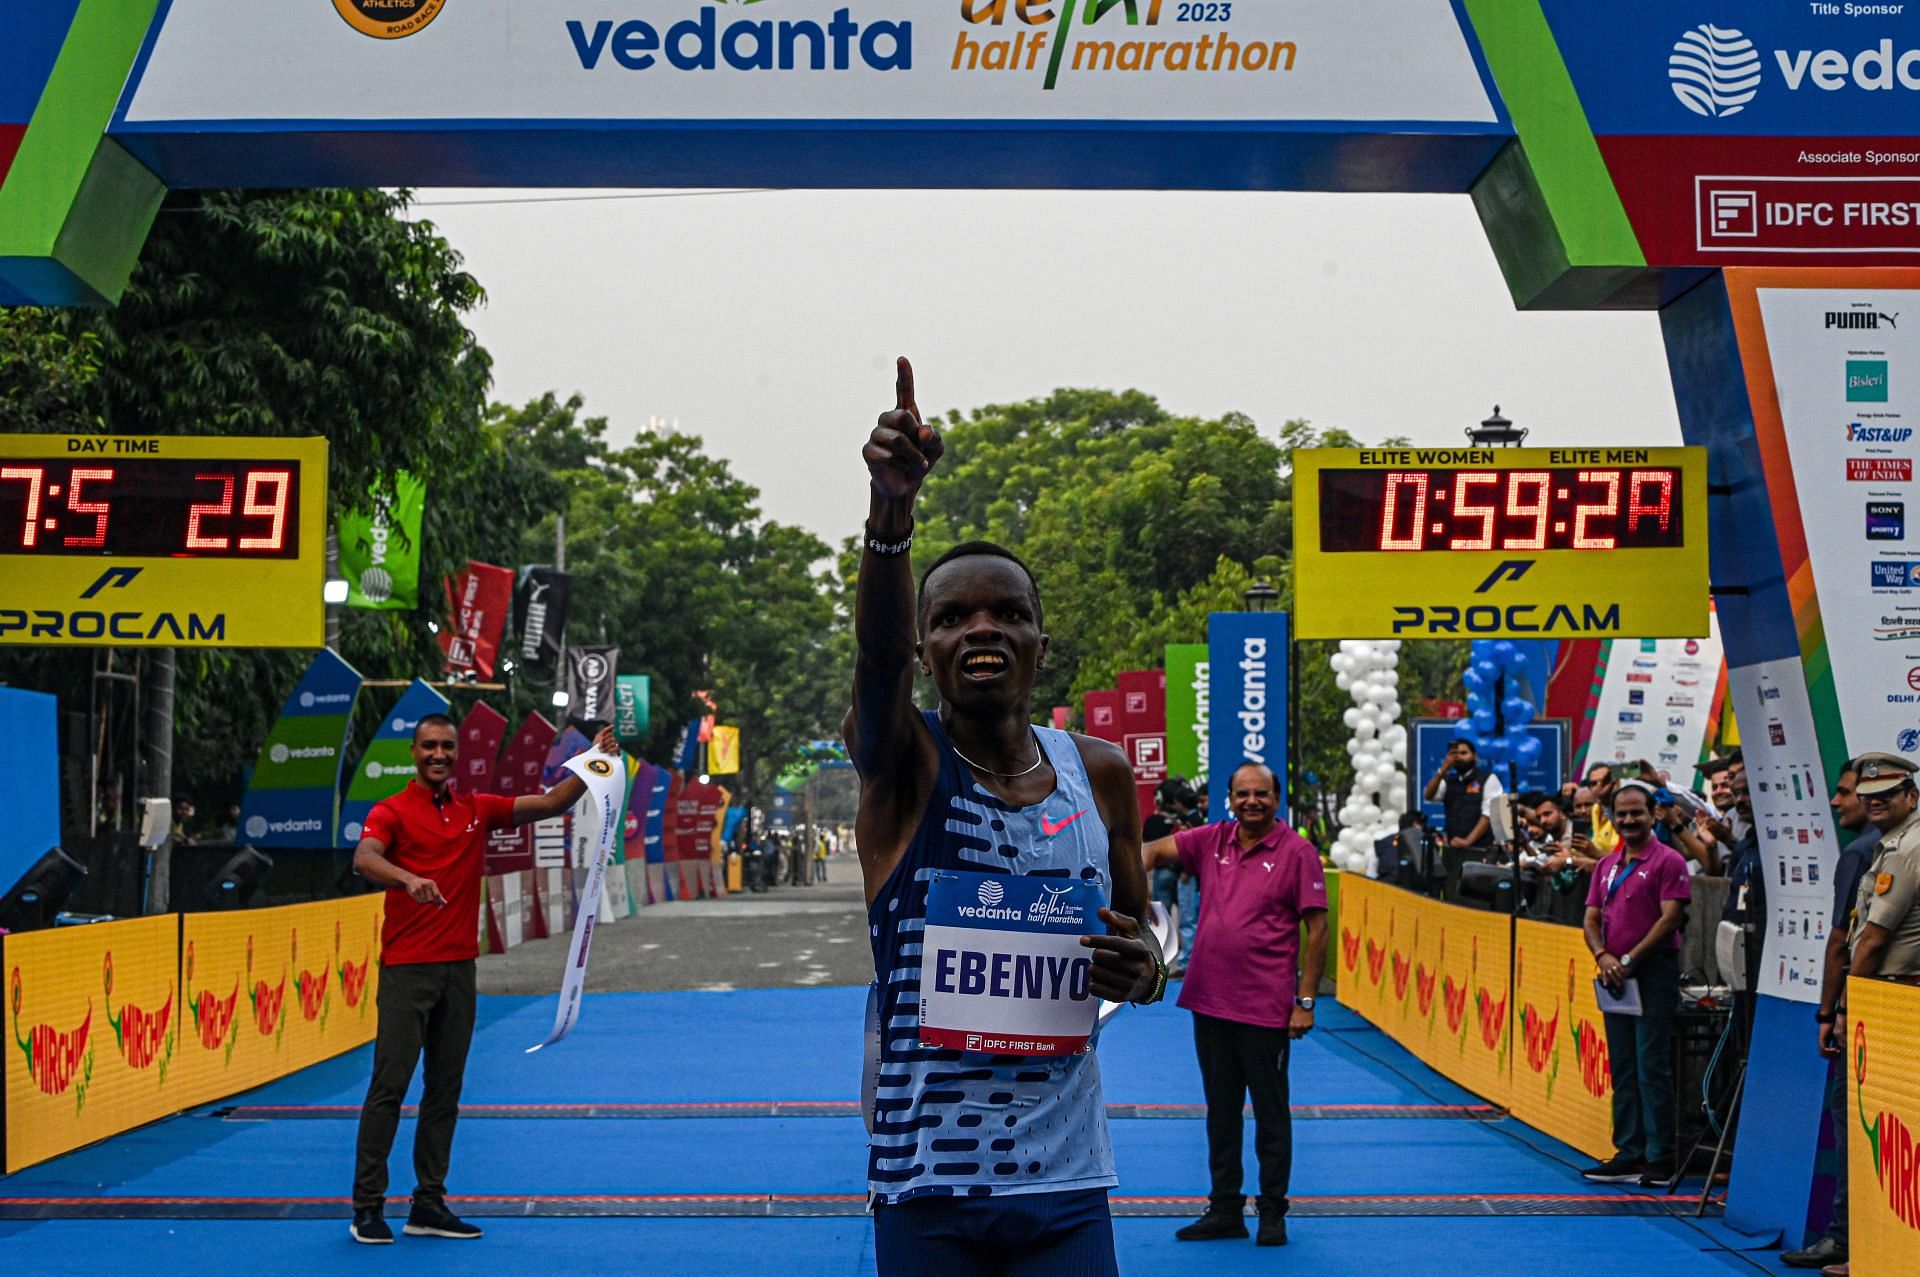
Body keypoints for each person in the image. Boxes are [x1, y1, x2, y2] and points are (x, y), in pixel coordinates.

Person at [847, 358, 1160, 1276]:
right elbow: (871, 665)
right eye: (951, 618)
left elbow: (1137, 946)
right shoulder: (905, 767)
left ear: (1038, 641)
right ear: (923, 648)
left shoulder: (1097, 775)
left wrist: (1147, 968)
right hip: (928, 1183)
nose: (980, 629)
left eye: (1006, 613)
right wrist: (891, 513)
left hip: (1066, 1185)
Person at [347, 714, 620, 1245]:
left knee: (444, 1091)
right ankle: (367, 1207)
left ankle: (428, 1204)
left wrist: (595, 759)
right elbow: (364, 858)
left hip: (458, 970)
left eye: (447, 746)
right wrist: (408, 879)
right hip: (407, 970)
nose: (439, 754)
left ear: (455, 753)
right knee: (389, 1088)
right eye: (429, 746)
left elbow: (551, 803)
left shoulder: (477, 810)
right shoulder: (391, 812)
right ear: (414, 751)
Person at [1141, 760, 1328, 1248]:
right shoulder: (1212, 839)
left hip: (1266, 1009)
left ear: (1276, 798)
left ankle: (1272, 1212)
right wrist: (1122, 892)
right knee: (1220, 1110)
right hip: (1208, 1000)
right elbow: (1151, 852)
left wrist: (1304, 1000)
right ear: (1229, 798)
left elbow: (1318, 930)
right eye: (1242, 794)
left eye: (1261, 794)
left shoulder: (1298, 852)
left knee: (1270, 1112)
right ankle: (1225, 1208)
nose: (1251, 802)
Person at [1824, 753, 1920, 1277]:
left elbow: (1873, 939)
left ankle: (1871, 1251)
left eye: (1888, 794)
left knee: (1878, 1133)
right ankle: (1872, 1249)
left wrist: (1845, 1006)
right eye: (1870, 795)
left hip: (1890, 1003)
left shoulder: (1907, 849)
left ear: (1913, 796)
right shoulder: (1888, 845)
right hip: (1891, 1001)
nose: (1875, 801)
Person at [1782, 760, 1878, 1271]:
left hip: (1867, 1014)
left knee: (1851, 1124)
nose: (1836, 803)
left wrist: (1829, 1011)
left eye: (1844, 794)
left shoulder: (1864, 852)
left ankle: (1844, 1238)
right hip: (1890, 1010)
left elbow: (1843, 941)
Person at [1580, 781, 1691, 1188]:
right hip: (1615, 978)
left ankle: (1660, 1157)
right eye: (1621, 814)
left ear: (1652, 814)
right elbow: (1591, 917)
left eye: (1637, 813)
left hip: (1653, 974)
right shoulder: (1607, 865)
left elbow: (1670, 918)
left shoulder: (1669, 860)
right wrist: (1604, 956)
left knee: (1652, 1067)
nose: (1628, 820)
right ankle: (1629, 1153)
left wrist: (1629, 960)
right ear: (1611, 817)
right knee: (1624, 1067)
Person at [1423, 738, 1501, 902]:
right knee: (1454, 895)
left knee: (1478, 898)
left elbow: (1487, 815)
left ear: (1475, 756)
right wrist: (1443, 769)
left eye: (1464, 753)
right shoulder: (1449, 780)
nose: (1459, 757)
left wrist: (1468, 841)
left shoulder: (1487, 778)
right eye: (1455, 754)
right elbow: (1429, 795)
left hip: (1480, 849)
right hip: (1455, 850)